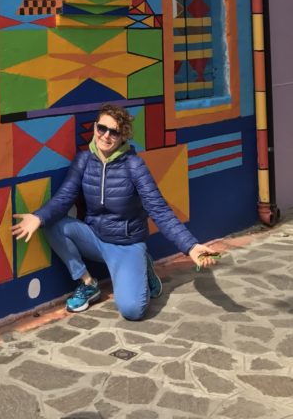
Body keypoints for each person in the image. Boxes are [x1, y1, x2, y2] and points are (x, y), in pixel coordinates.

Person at [12, 104, 218, 321]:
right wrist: (38, 217)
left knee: (132, 311)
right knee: (52, 222)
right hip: (95, 240)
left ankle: (143, 267)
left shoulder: (134, 166)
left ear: (123, 137)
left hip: (127, 245)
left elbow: (159, 209)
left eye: (114, 132)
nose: (106, 135)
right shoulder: (84, 161)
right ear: (94, 128)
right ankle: (88, 283)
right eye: (102, 128)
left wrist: (190, 246)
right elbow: (64, 198)